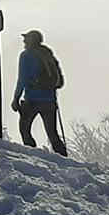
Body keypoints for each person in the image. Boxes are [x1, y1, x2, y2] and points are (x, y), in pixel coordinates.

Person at [11, 29, 68, 157]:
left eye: (26, 38)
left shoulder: (26, 55)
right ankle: (64, 158)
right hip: (49, 100)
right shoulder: (47, 55)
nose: (24, 41)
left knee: (24, 129)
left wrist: (16, 98)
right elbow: (58, 79)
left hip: (32, 100)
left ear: (32, 41)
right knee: (52, 134)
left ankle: (33, 157)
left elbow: (22, 79)